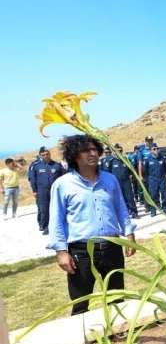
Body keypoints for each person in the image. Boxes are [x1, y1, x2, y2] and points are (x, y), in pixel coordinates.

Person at [47, 134, 136, 315]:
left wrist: (129, 233)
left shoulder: (110, 180)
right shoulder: (62, 185)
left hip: (112, 247)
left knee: (117, 298)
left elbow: (120, 208)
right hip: (81, 252)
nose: (92, 153)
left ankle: (120, 337)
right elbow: (56, 219)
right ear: (75, 156)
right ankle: (84, 341)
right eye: (86, 150)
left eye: (94, 149)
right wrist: (61, 251)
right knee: (81, 301)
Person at [28, 146, 65, 234]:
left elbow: (63, 178)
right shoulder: (36, 166)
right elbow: (32, 179)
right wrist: (34, 190)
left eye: (46, 154)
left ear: (49, 154)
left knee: (56, 208)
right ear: (40, 156)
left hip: (55, 191)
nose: (45, 156)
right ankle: (45, 227)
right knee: (44, 209)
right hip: (42, 191)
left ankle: (57, 226)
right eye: (43, 155)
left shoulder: (56, 165)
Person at [104, 144, 138, 219]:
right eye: (117, 151)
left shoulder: (126, 160)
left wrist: (131, 175)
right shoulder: (111, 161)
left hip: (126, 181)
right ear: (114, 152)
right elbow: (107, 172)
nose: (119, 152)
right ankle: (125, 213)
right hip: (116, 182)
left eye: (121, 151)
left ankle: (134, 212)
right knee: (120, 198)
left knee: (130, 196)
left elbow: (131, 169)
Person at [143, 143, 166, 216]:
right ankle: (153, 210)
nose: (156, 150)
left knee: (164, 193)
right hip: (152, 179)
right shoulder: (148, 159)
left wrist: (164, 175)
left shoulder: (162, 158)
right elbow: (145, 170)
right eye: (154, 149)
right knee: (153, 195)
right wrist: (148, 178)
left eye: (157, 149)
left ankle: (165, 208)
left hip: (161, 178)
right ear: (151, 150)